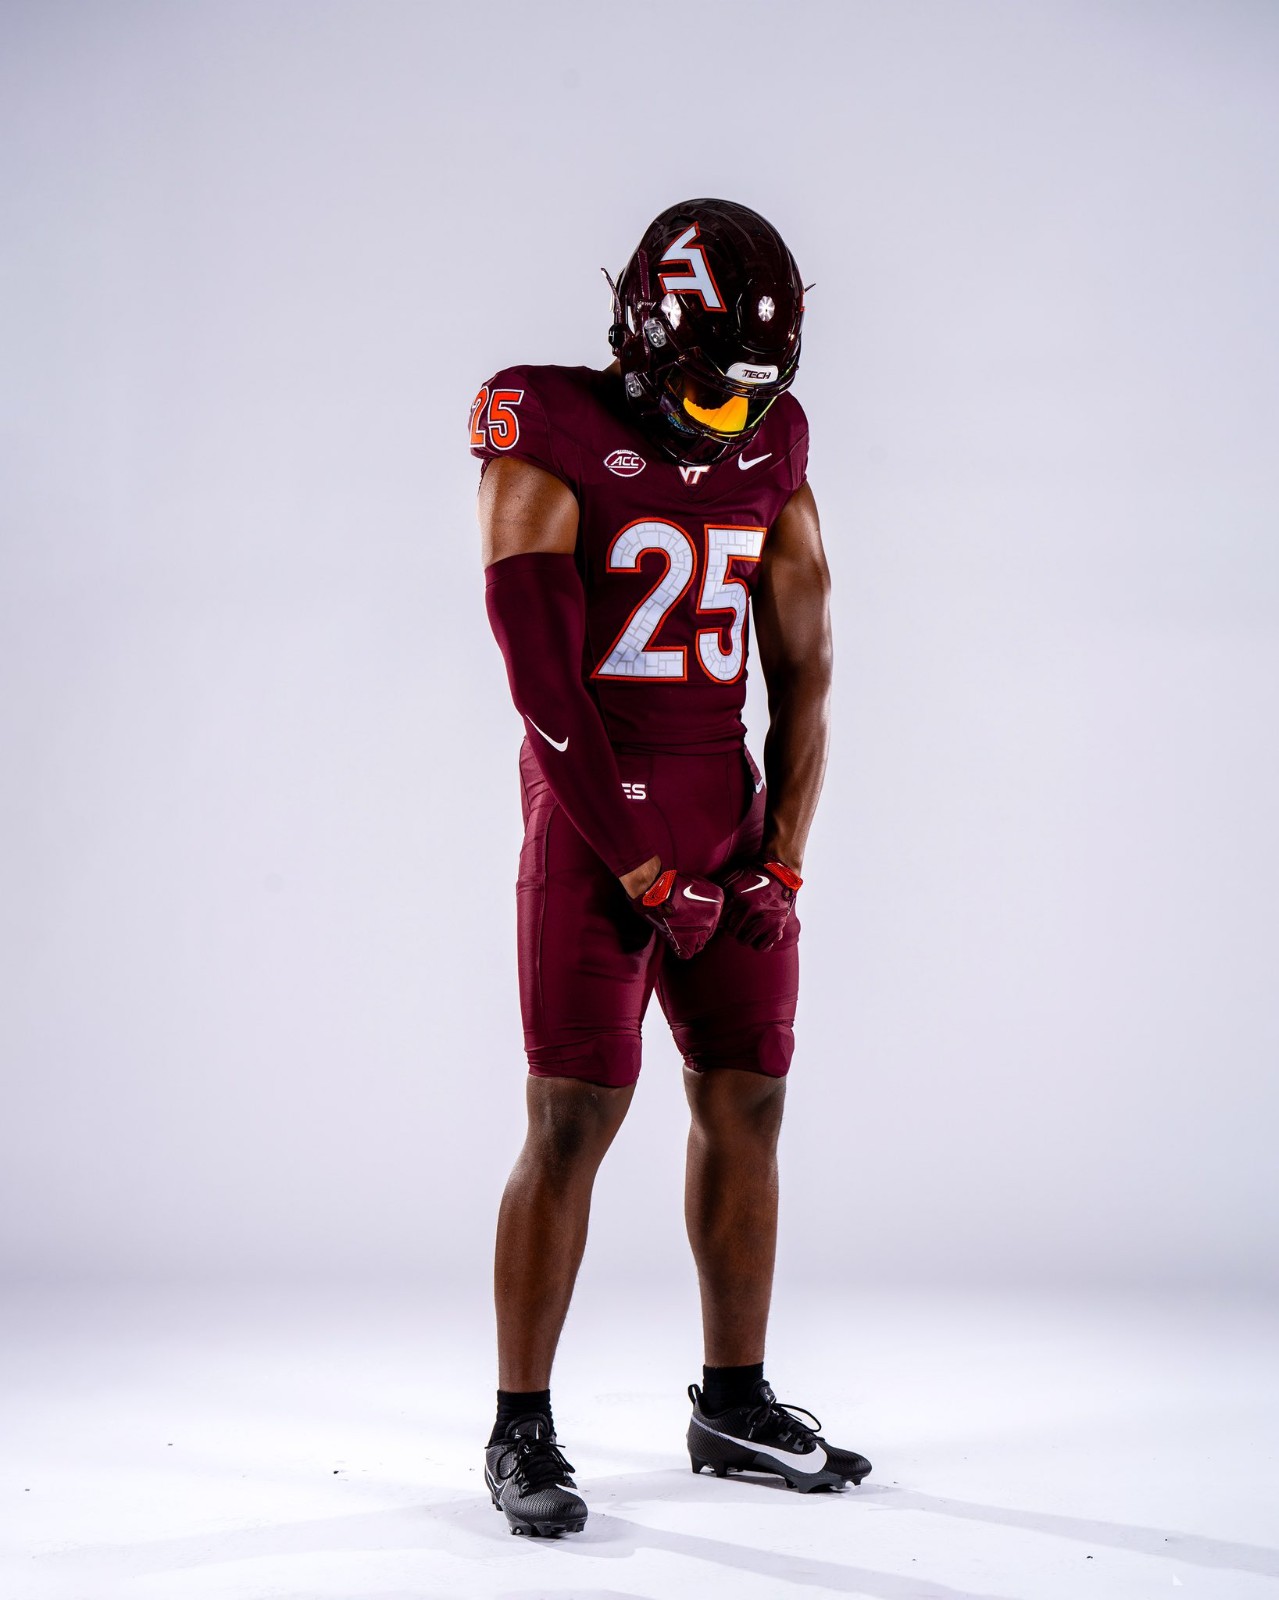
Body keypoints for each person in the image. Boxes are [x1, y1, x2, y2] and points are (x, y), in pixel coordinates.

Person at [471, 199, 871, 1538]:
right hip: (593, 818)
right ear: (644, 338)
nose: (731, 421)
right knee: (572, 1120)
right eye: (708, 394)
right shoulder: (543, 423)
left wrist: (783, 859)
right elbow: (544, 691)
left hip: (724, 809)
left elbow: (809, 667)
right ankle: (519, 1428)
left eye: (752, 396)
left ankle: (733, 1403)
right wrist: (642, 869)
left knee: (750, 1098)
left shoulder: (774, 441)